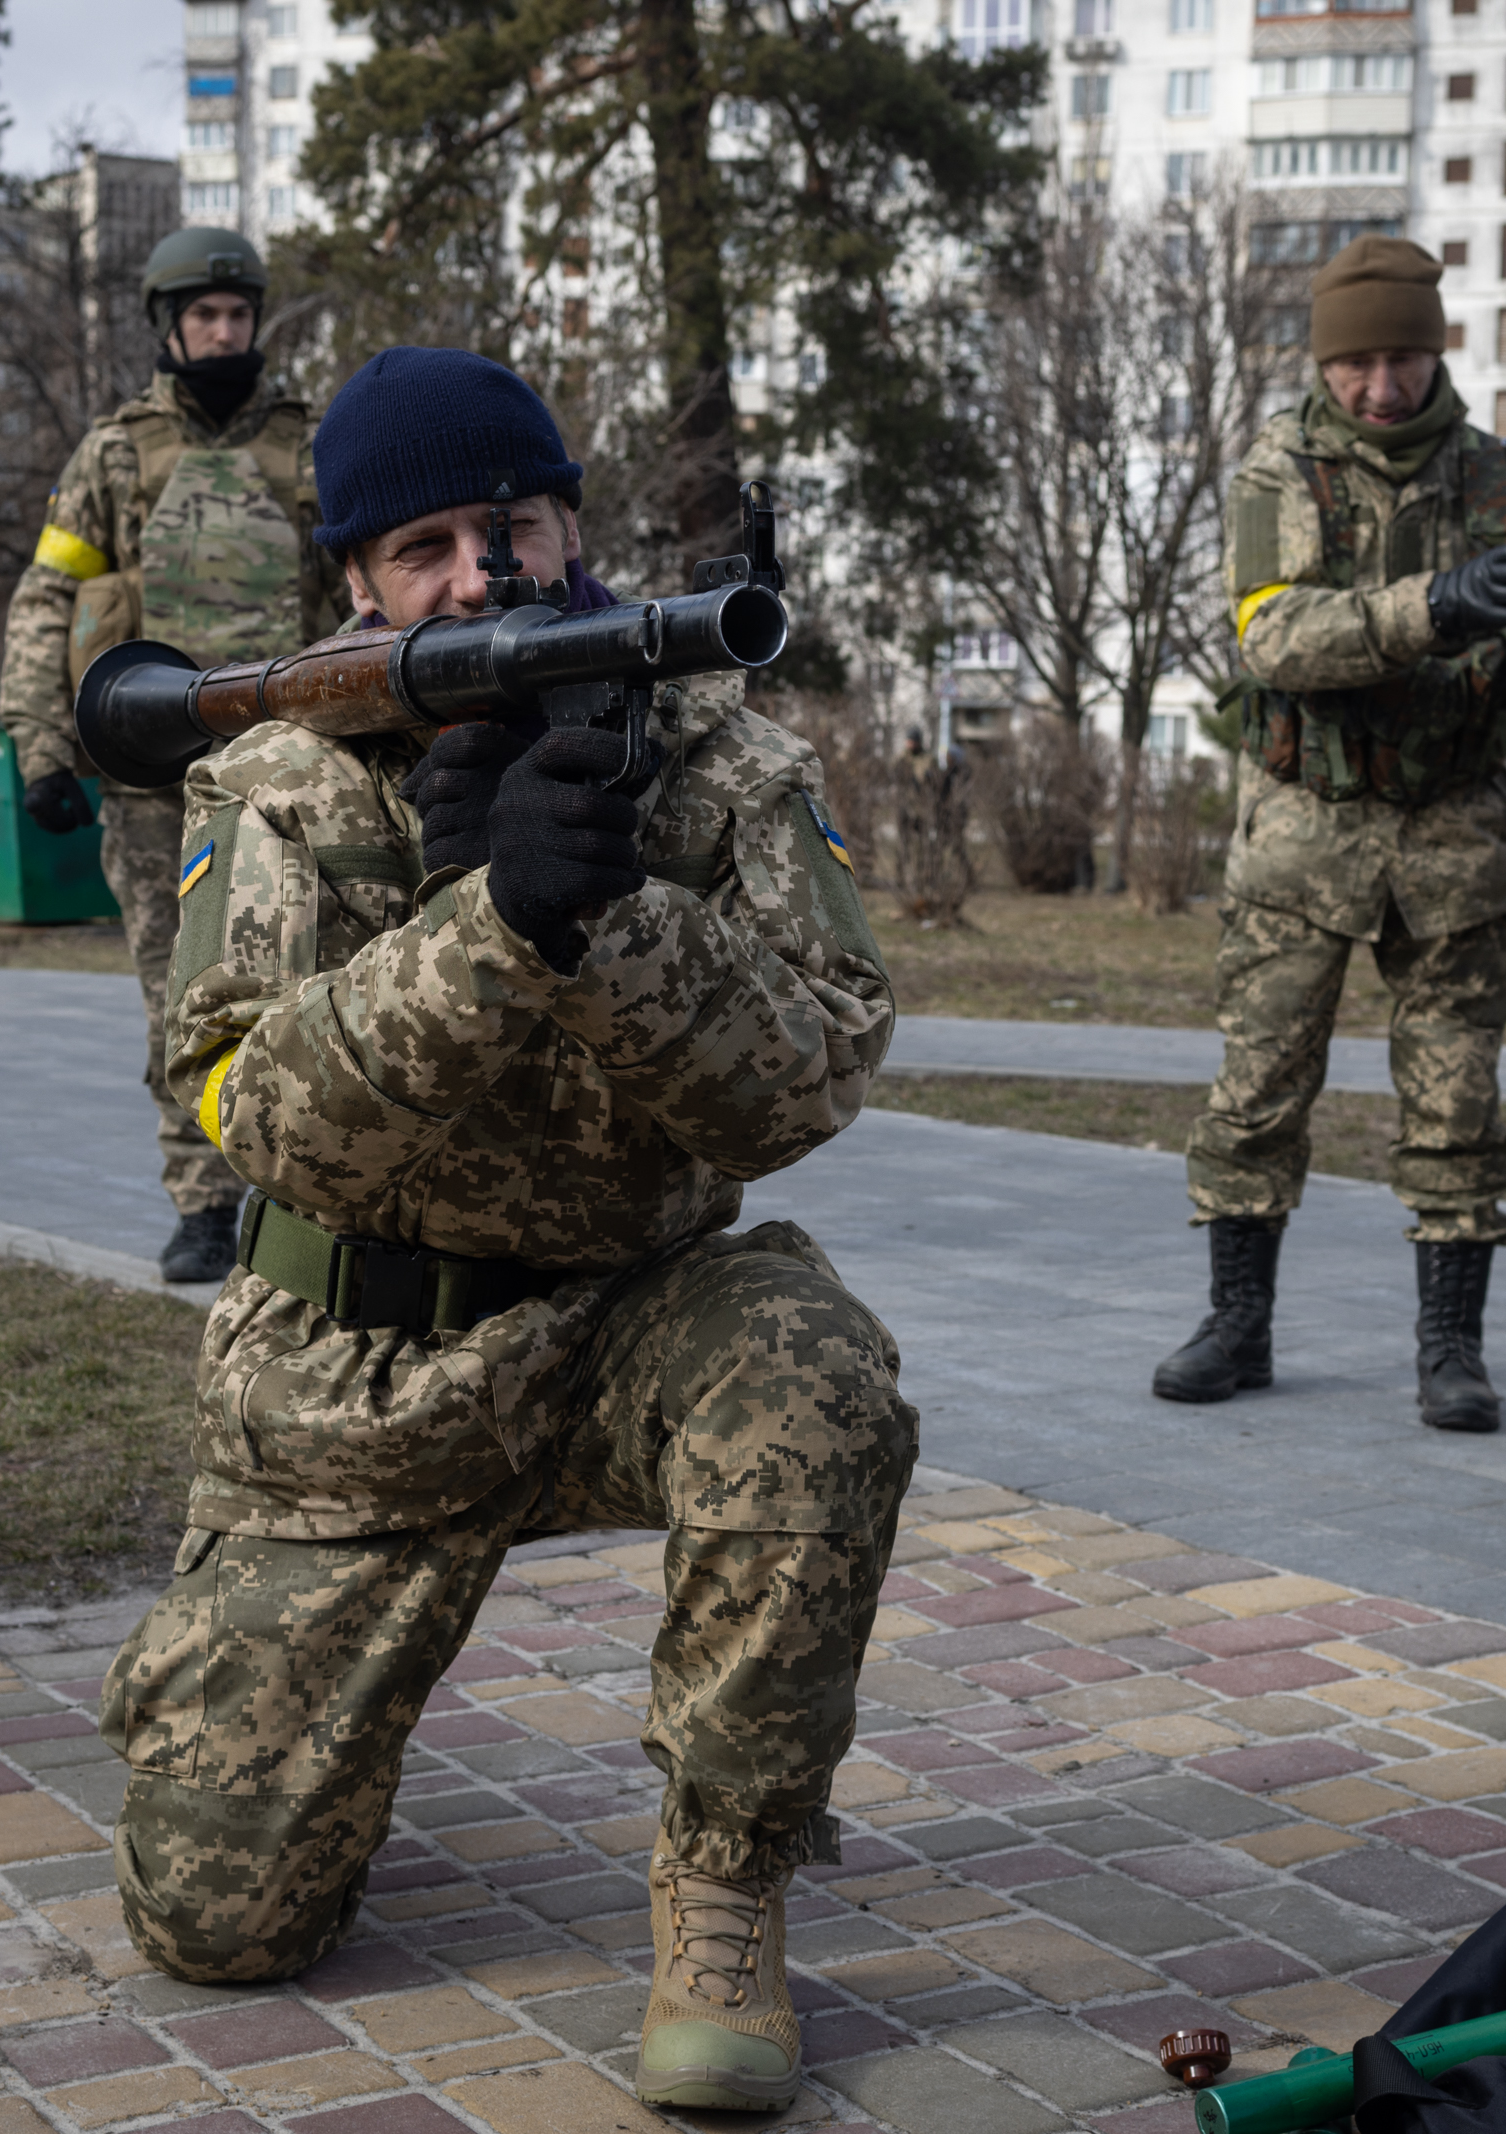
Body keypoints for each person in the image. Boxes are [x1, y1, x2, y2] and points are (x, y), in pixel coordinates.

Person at [93, 347, 914, 2114]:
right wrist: (485, 930)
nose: (482, 578)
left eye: (514, 525)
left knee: (812, 1365)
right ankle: (292, 1694)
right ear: (359, 583)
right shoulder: (281, 775)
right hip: (353, 1379)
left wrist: (601, 911)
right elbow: (251, 1111)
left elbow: (811, 1076)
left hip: (627, 1331)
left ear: (570, 526)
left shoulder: (709, 748)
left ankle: (724, 1880)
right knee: (218, 1920)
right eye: (427, 546)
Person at [1159, 235, 1506, 1429]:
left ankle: (1449, 1348)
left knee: (1454, 1102)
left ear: (1436, 351)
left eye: (1402, 357)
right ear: (1325, 363)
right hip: (1300, 834)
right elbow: (1274, 634)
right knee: (1256, 1091)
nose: (1379, 387)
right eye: (1356, 362)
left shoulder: (1500, 478)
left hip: (1456, 832)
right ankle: (1235, 1324)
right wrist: (1446, 602)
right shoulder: (1276, 470)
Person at [0, 226, 342, 1283]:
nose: (225, 332)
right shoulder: (114, 452)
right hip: (153, 774)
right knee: (177, 995)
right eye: (205, 316)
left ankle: (310, 1194)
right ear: (169, 326)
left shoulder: (310, 444)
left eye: (239, 315)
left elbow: (362, 596)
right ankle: (202, 1202)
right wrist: (40, 744)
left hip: (292, 767)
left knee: (313, 982)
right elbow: (48, 597)